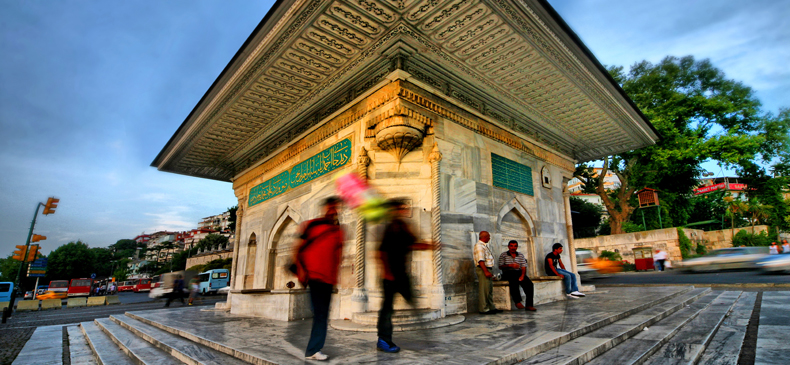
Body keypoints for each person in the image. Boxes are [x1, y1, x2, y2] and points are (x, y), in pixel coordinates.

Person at [376, 198, 435, 353]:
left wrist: (428, 246)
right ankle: (383, 340)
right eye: (402, 208)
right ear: (395, 210)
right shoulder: (390, 228)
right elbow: (381, 252)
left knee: (412, 302)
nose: (405, 210)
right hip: (390, 277)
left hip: (402, 275)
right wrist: (387, 273)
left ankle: (425, 337)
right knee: (387, 309)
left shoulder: (403, 227)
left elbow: (412, 244)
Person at [292, 197, 344, 361]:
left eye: (337, 208)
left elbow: (337, 257)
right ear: (326, 208)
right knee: (320, 315)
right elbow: (298, 249)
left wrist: (336, 278)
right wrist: (302, 273)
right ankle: (313, 349)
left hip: (328, 280)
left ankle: (313, 349)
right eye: (332, 207)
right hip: (315, 277)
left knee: (321, 315)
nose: (334, 211)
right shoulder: (313, 225)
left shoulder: (339, 231)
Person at [498, 240, 536, 311]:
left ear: (517, 247)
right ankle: (517, 301)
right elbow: (500, 266)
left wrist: (522, 275)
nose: (513, 248)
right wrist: (510, 265)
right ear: (508, 246)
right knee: (514, 280)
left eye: (515, 246)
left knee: (529, 284)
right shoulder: (504, 255)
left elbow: (524, 266)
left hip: (519, 272)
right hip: (508, 272)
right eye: (511, 246)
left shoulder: (520, 255)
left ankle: (529, 305)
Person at [473, 231, 501, 314]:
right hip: (483, 269)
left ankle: (491, 307)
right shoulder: (479, 246)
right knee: (484, 290)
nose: (489, 238)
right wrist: (485, 271)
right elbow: (480, 260)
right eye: (488, 236)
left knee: (489, 289)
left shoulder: (483, 246)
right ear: (485, 237)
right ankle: (484, 309)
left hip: (487, 269)